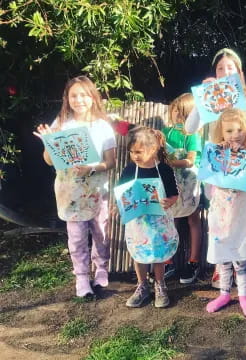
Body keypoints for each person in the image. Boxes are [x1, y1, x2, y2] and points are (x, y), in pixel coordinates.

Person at [185, 48, 246, 288]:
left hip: (239, 171)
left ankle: (241, 281)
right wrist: (201, 100)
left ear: (239, 73)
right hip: (214, 172)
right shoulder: (210, 103)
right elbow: (189, 128)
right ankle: (222, 270)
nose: (225, 72)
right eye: (220, 68)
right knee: (219, 220)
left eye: (230, 68)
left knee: (238, 221)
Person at [34, 76, 116, 298]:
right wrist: (49, 143)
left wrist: (91, 167)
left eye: (84, 95)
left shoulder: (103, 126)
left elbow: (111, 162)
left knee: (101, 231)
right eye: (73, 96)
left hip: (97, 190)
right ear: (67, 99)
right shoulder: (60, 125)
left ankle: (101, 269)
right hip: (70, 191)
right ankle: (81, 276)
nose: (79, 100)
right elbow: (49, 160)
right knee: (77, 235)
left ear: (92, 97)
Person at [205, 108, 246, 318]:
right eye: (229, 131)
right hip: (221, 214)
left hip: (241, 214)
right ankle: (224, 293)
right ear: (221, 132)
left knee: (241, 256)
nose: (234, 134)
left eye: (239, 129)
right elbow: (209, 184)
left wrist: (240, 156)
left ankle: (244, 295)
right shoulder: (215, 153)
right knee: (224, 257)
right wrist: (221, 157)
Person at [117, 126, 179, 308]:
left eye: (139, 151)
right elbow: (122, 193)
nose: (134, 155)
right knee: (139, 254)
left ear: (153, 150)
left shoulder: (165, 170)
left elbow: (174, 194)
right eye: (131, 152)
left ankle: (160, 285)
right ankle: (142, 285)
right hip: (137, 222)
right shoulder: (129, 169)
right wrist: (118, 206)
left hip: (159, 222)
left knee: (158, 255)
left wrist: (170, 202)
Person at [162, 93, 202, 284]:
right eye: (174, 109)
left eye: (181, 110)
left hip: (189, 181)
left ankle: (193, 261)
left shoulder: (193, 135)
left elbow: (191, 160)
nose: (176, 113)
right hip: (171, 180)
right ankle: (168, 261)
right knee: (171, 219)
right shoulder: (165, 132)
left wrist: (171, 162)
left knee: (193, 218)